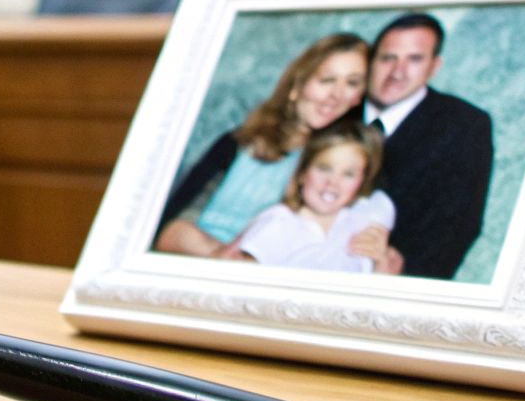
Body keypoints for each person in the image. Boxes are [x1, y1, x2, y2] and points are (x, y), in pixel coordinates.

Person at [154, 32, 368, 256]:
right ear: (298, 85)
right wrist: (222, 256)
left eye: (352, 83)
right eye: (327, 80)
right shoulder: (238, 143)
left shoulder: (350, 165)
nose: (337, 95)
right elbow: (167, 230)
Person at [347, 12, 493, 280]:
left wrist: (402, 278)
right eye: (388, 58)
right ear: (371, 60)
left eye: (414, 59)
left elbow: (459, 224)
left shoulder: (464, 125)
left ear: (434, 67)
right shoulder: (338, 107)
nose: (397, 72)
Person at [221, 120, 395, 273]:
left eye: (348, 174)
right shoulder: (278, 222)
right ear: (303, 173)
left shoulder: (362, 225)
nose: (332, 183)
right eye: (324, 168)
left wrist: (380, 263)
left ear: (361, 182)